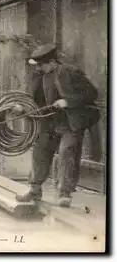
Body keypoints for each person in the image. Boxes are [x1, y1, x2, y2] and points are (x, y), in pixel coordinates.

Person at [13, 43, 100, 207]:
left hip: (70, 122)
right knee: (40, 151)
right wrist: (22, 108)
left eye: (41, 64)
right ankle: (34, 190)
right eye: (37, 65)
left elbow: (92, 93)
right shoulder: (38, 77)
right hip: (49, 123)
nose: (39, 68)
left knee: (67, 152)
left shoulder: (70, 72)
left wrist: (68, 101)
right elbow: (34, 101)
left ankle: (64, 193)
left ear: (52, 62)